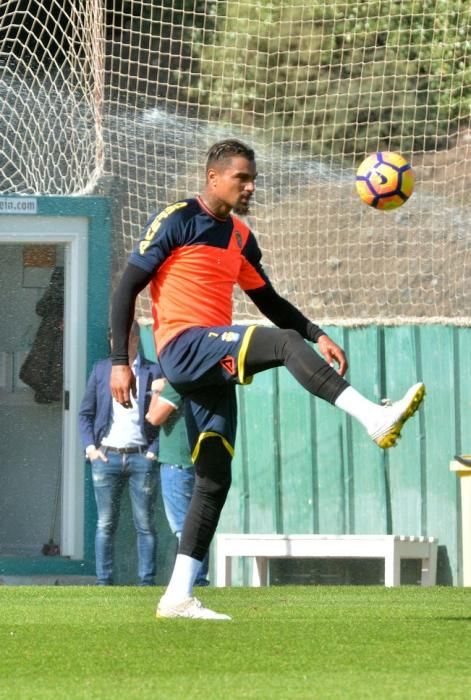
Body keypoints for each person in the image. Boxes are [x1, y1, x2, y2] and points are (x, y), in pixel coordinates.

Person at [109, 139, 425, 619]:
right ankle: (372, 417)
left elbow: (269, 300)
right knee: (280, 344)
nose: (250, 186)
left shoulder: (239, 236)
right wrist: (119, 360)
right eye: (242, 177)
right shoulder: (176, 219)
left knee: (214, 478)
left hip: (209, 359)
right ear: (213, 177)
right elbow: (127, 287)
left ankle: (177, 595)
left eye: (253, 177)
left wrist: (317, 333)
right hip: (183, 345)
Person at [79, 320, 160, 586]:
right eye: (115, 339)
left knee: (145, 524)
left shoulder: (153, 371)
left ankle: (146, 581)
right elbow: (85, 414)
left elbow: (168, 414)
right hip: (106, 458)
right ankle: (104, 582)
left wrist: (153, 452)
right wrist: (91, 449)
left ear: (135, 340)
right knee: (105, 524)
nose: (119, 344)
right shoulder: (101, 370)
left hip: (141, 458)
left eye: (124, 339)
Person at [146, 376, 210, 587]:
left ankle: (193, 580)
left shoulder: (177, 382)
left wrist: (156, 391)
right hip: (198, 461)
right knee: (198, 525)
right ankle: (198, 579)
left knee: (184, 528)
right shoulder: (203, 379)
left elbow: (154, 417)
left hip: (177, 463)